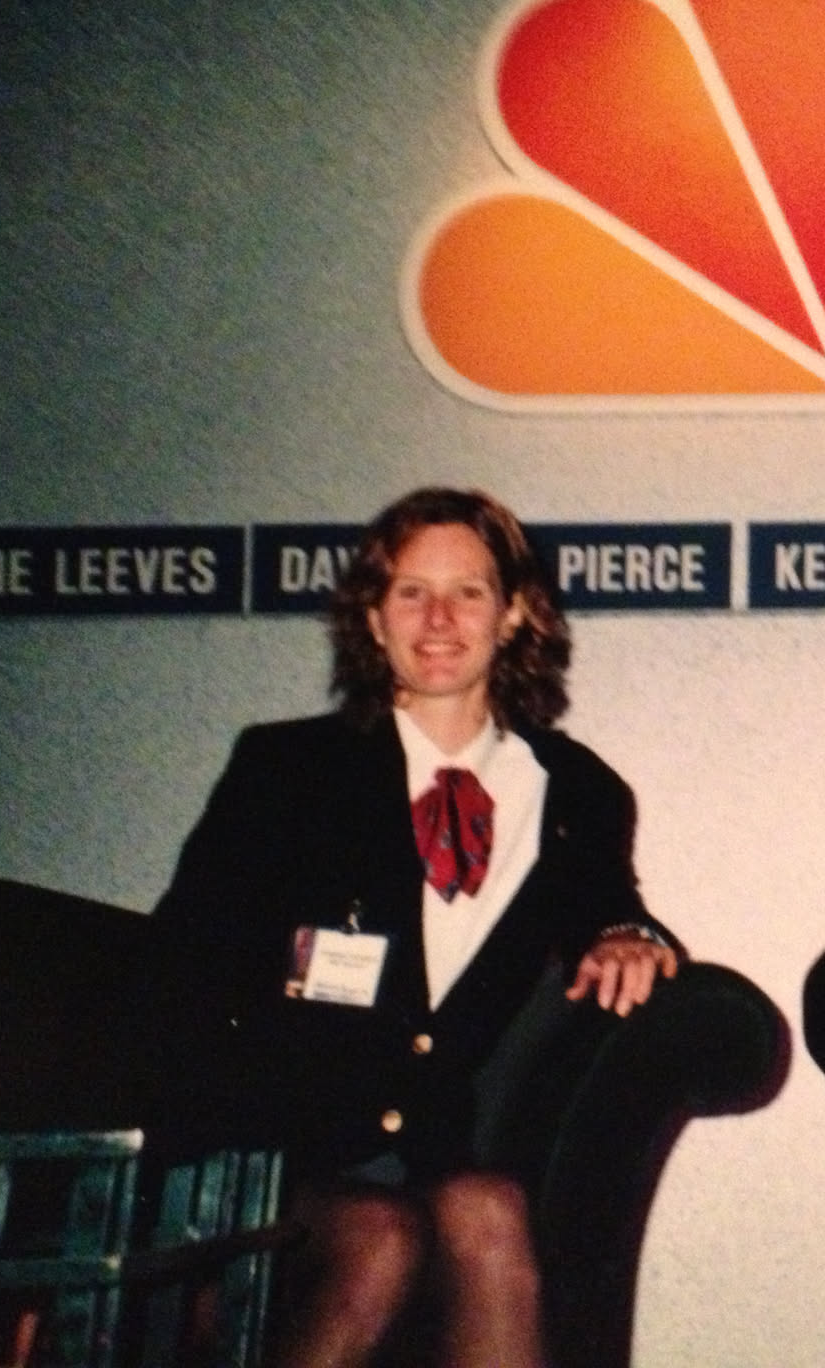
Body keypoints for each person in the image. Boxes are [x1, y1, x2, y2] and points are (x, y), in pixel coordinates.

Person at [153, 487, 678, 1368]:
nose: (439, 620)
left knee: (489, 1213)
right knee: (382, 1237)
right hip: (284, 1157)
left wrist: (632, 932)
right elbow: (186, 969)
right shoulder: (288, 770)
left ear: (513, 613)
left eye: (468, 592)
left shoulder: (576, 789)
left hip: (438, 1149)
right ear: (373, 615)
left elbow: (609, 900)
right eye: (410, 592)